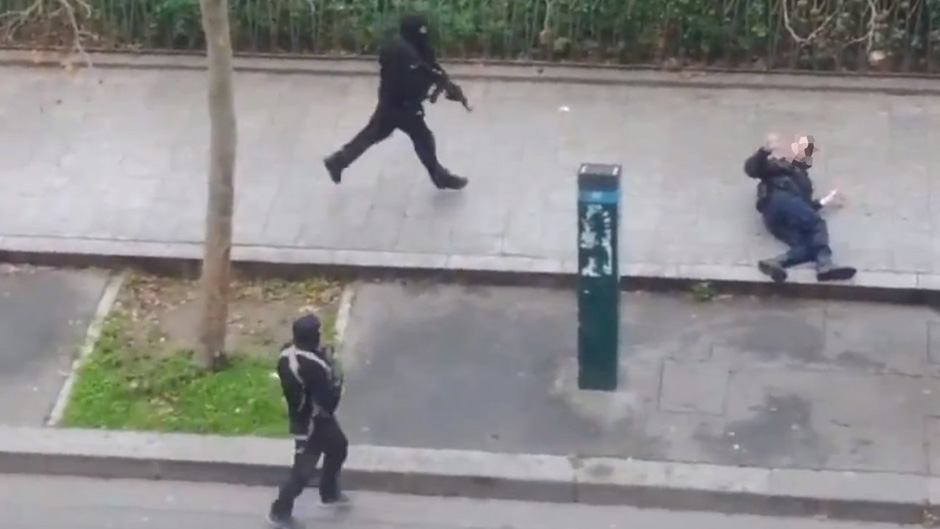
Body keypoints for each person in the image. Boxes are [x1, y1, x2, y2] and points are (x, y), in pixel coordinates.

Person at [323, 13, 468, 190]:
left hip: (393, 104)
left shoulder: (413, 48)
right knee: (423, 138)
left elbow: (430, 67)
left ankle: (338, 162)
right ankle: (440, 177)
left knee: (373, 134)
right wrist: (432, 86)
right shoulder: (401, 53)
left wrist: (445, 83)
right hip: (400, 106)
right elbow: (412, 78)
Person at [268, 315, 349, 528]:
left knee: (339, 446)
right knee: (303, 470)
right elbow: (328, 402)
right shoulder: (315, 366)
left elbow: (303, 379)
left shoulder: (287, 355)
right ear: (314, 337)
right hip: (313, 422)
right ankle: (280, 511)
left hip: (305, 416)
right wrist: (336, 378)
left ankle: (329, 492)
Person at [744, 133, 856, 283]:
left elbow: (804, 209)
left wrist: (824, 201)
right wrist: (764, 151)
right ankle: (825, 264)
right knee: (817, 224)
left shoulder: (804, 181)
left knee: (808, 247)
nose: (807, 153)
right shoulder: (779, 164)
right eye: (804, 148)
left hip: (775, 219)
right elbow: (752, 169)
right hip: (780, 199)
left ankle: (777, 263)